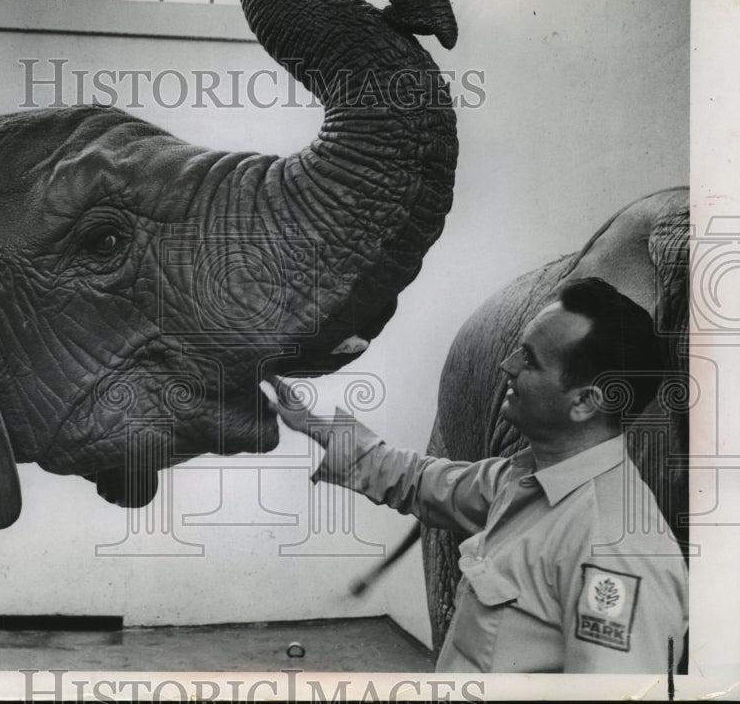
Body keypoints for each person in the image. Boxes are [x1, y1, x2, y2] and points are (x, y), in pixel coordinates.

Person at [269, 277, 687, 673]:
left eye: (530, 360)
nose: (507, 366)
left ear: (584, 402)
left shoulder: (617, 552)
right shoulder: (522, 481)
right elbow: (420, 480)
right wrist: (316, 425)